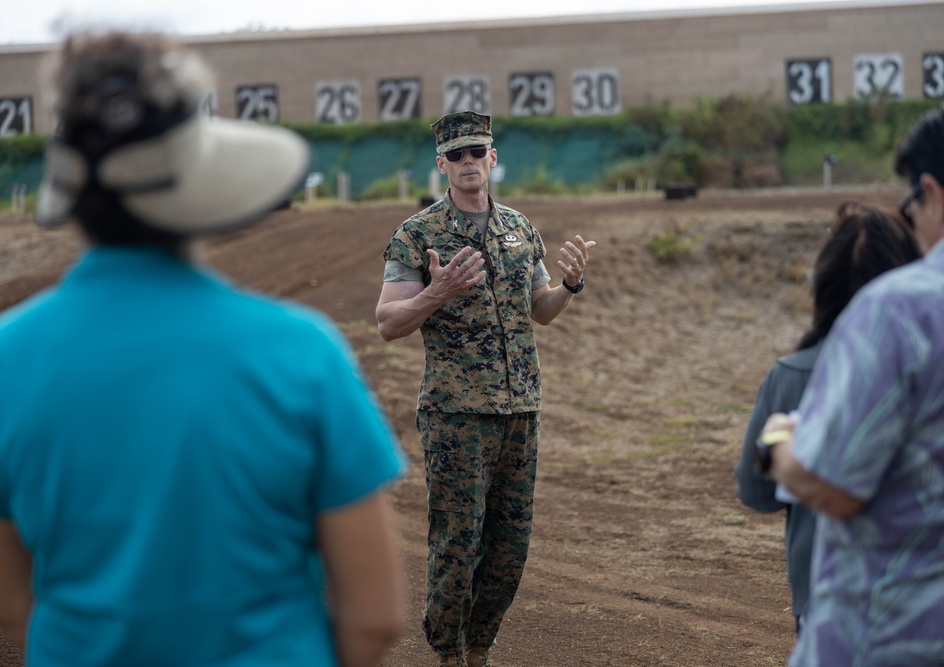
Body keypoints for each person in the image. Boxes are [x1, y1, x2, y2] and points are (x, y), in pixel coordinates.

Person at [0, 32, 407, 667]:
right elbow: (376, 616)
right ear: (198, 183)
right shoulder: (301, 354)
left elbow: (10, 600)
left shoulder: (9, 358)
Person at [761, 100, 944, 665]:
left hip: (892, 641)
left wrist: (781, 445)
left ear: (934, 194)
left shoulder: (903, 308)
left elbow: (832, 487)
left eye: (910, 203)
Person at [376, 110, 596, 667]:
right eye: (457, 156)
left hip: (521, 406)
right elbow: (388, 323)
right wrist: (437, 291)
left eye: (478, 153)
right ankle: (447, 651)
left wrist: (570, 285)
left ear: (493, 159)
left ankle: (480, 645)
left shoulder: (520, 229)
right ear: (441, 166)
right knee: (458, 540)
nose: (469, 163)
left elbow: (541, 311)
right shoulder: (418, 234)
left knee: (510, 542)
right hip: (457, 412)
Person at [734, 201, 921, 632]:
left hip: (826, 602)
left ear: (824, 283)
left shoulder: (791, 375)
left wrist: (778, 447)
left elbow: (755, 492)